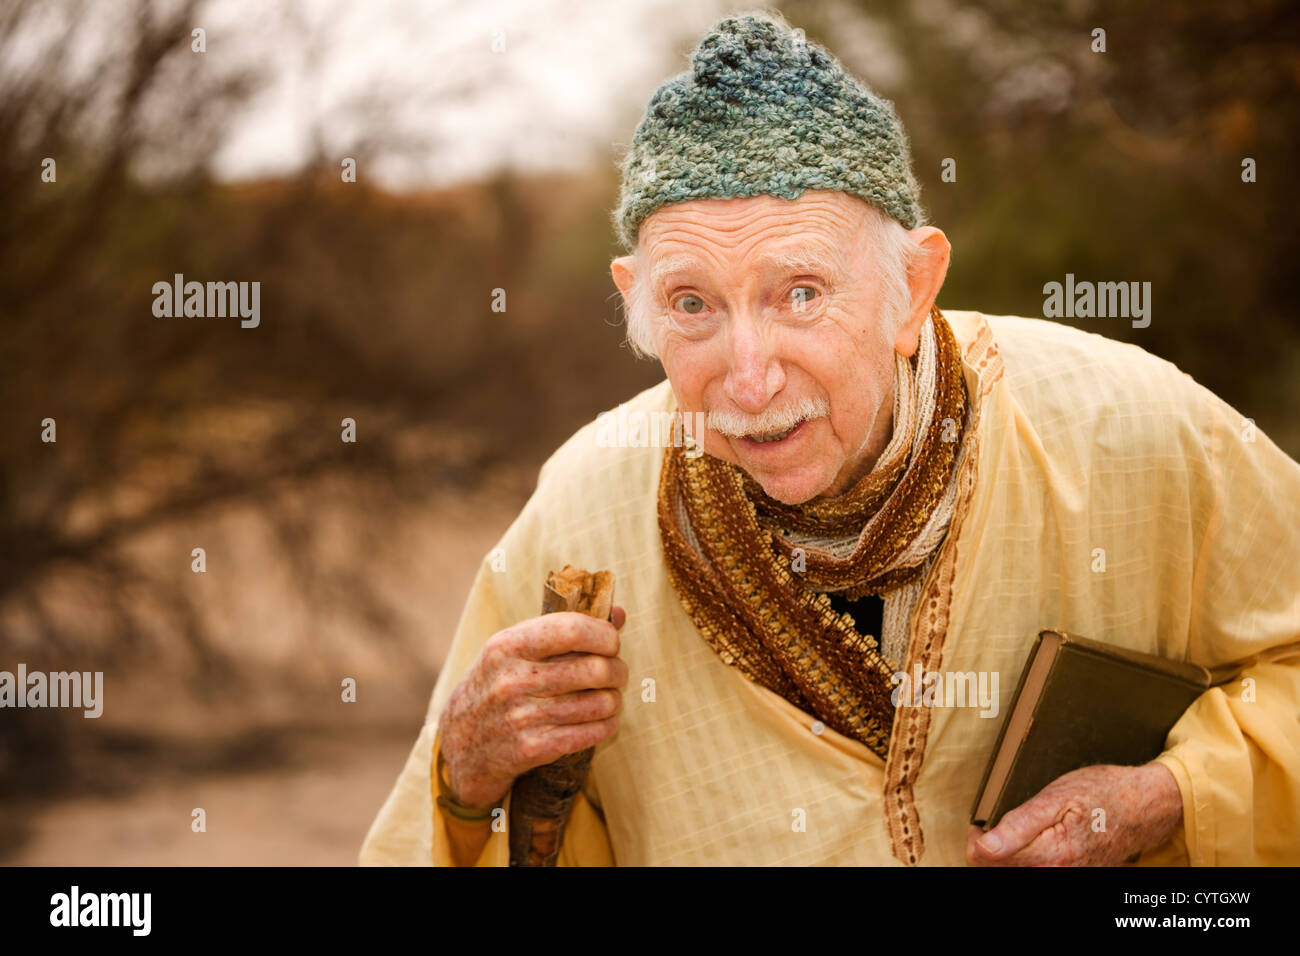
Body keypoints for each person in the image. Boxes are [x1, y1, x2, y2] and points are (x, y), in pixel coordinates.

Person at [360, 12, 1300, 866]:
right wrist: (466, 781)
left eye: (800, 294)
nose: (750, 374)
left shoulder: (1125, 426)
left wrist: (1170, 796)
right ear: (634, 303)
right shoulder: (582, 506)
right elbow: (469, 833)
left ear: (913, 287)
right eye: (692, 305)